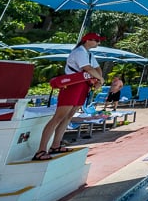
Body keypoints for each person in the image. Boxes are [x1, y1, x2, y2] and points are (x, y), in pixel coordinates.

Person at [33, 32, 105, 161]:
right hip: (72, 85)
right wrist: (100, 79)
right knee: (58, 117)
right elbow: (88, 68)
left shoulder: (89, 54)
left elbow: (97, 67)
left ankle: (56, 145)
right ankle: (41, 149)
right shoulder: (79, 52)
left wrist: (99, 79)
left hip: (83, 85)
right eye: (96, 40)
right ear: (87, 40)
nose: (98, 43)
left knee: (69, 116)